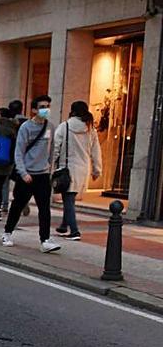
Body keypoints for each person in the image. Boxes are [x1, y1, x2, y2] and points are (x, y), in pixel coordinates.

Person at [2, 95, 60, 252]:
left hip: (42, 174)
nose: (45, 109)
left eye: (47, 106)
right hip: (27, 174)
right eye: (42, 107)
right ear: (34, 109)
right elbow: (18, 152)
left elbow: (52, 148)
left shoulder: (50, 127)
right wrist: (23, 172)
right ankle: (7, 232)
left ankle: (45, 240)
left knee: (44, 208)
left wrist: (50, 168)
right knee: (17, 205)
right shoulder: (26, 127)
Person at [52, 100, 102, 241]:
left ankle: (74, 231)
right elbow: (96, 151)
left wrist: (50, 165)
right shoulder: (90, 129)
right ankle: (63, 225)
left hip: (67, 168)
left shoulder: (64, 126)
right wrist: (96, 170)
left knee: (68, 199)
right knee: (70, 197)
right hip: (83, 168)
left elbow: (56, 148)